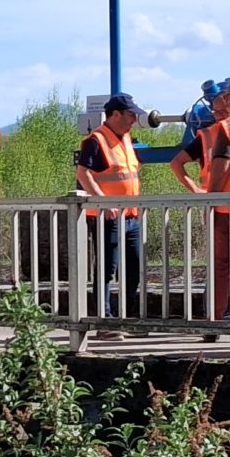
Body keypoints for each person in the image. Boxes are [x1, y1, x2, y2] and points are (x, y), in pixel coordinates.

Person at [171, 74, 230, 331]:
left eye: (225, 99)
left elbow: (219, 168)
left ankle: (219, 320)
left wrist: (209, 195)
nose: (221, 106)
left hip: (224, 206)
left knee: (227, 266)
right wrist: (200, 192)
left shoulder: (224, 129)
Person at [76, 92, 146, 323]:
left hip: (131, 216)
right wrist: (102, 201)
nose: (133, 119)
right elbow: (83, 174)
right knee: (106, 269)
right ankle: (104, 319)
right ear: (115, 114)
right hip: (108, 217)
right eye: (130, 114)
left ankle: (125, 316)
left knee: (133, 269)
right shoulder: (96, 140)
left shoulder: (126, 138)